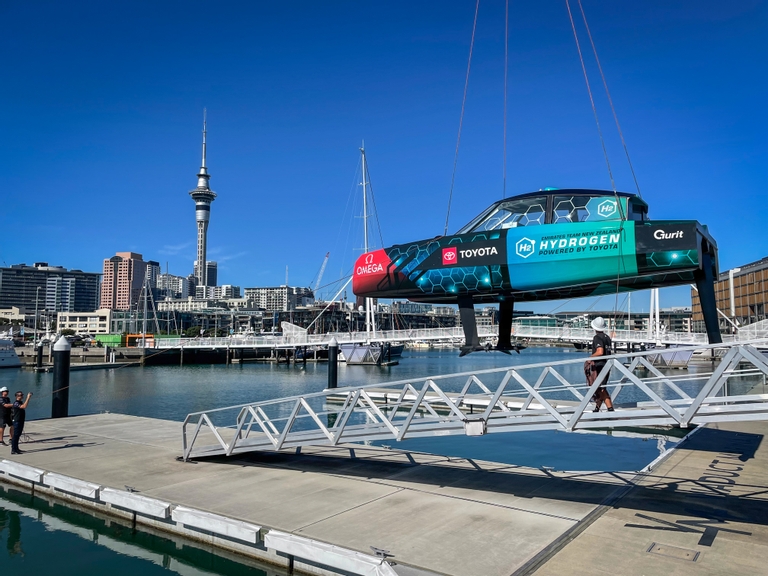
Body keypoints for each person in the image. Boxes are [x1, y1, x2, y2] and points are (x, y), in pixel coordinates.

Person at [584, 317, 614, 412]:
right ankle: (597, 408)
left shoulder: (597, 338)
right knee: (600, 387)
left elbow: (600, 351)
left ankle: (610, 409)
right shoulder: (607, 338)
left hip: (600, 366)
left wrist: (590, 358)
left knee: (601, 388)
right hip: (607, 364)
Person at [10, 391, 32, 455]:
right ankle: (13, 449)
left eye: (22, 395)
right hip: (17, 421)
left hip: (20, 420)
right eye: (20, 395)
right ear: (17, 396)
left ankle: (16, 448)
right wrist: (28, 398)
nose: (22, 396)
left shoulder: (20, 402)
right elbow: (24, 406)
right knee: (15, 435)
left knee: (18, 435)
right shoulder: (16, 403)